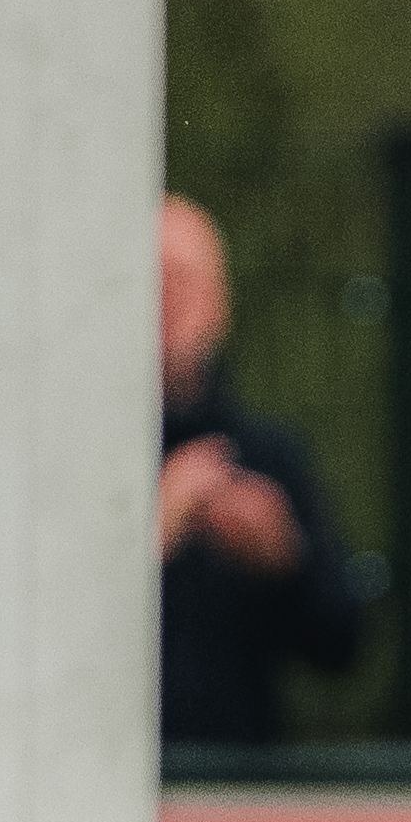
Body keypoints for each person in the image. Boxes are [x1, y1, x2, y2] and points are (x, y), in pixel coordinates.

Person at [155, 196, 366, 750]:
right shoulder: (67, 464)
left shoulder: (267, 456)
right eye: (149, 281)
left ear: (218, 303)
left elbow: (340, 645)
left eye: (182, 280)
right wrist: (155, 532)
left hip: (235, 788)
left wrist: (285, 562)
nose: (166, 303)